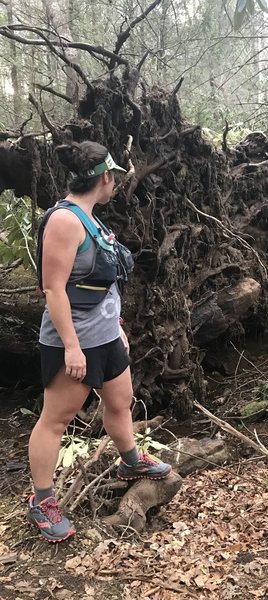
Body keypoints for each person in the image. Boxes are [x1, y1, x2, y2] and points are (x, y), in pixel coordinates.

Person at [27, 141, 171, 543]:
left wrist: (118, 324)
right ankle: (42, 501)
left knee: (120, 401)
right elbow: (53, 290)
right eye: (115, 177)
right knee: (55, 420)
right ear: (105, 177)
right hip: (74, 341)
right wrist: (72, 347)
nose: (116, 184)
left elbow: (102, 283)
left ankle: (131, 463)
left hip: (106, 336)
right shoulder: (65, 221)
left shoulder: (94, 221)